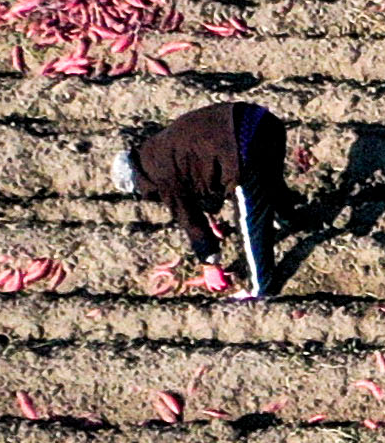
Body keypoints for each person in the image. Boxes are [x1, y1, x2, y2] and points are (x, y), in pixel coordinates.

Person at [118, 98, 285, 299]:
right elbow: (198, 173)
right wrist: (211, 215)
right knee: (268, 182)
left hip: (242, 146)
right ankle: (289, 218)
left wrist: (209, 263)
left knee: (250, 222)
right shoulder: (158, 149)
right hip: (261, 119)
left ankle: (261, 290)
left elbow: (190, 219)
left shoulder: (159, 176)